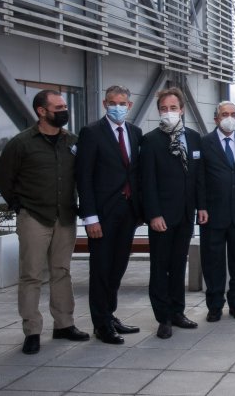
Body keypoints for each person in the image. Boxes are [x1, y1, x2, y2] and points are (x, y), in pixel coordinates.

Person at [0, 89, 89, 355]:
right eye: (58, 107)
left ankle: (63, 324)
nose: (64, 111)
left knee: (62, 271)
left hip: (66, 217)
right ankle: (32, 330)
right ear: (42, 111)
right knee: (31, 275)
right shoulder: (21, 143)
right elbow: (4, 179)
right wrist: (20, 206)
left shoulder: (72, 141)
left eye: (64, 106)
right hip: (34, 217)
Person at [76, 85, 143, 345]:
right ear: (105, 104)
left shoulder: (135, 133)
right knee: (101, 269)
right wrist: (89, 217)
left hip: (128, 213)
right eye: (112, 102)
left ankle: (110, 314)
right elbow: (83, 177)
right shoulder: (91, 133)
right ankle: (101, 324)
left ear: (130, 105)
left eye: (122, 103)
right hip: (102, 215)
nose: (117, 107)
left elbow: (134, 172)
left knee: (118, 267)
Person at [140, 87, 206, 339]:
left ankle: (178, 312)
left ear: (182, 110)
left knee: (179, 265)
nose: (169, 112)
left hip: (186, 214)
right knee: (160, 267)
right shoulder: (151, 140)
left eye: (173, 108)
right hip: (162, 217)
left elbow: (198, 176)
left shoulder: (193, 137)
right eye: (164, 109)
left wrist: (202, 207)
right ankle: (163, 317)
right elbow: (147, 182)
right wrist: (154, 214)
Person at [199, 101, 235, 322]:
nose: (229, 117)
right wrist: (201, 206)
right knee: (213, 262)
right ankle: (214, 306)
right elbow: (200, 179)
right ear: (216, 118)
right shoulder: (204, 143)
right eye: (224, 114)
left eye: (233, 114)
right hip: (212, 214)